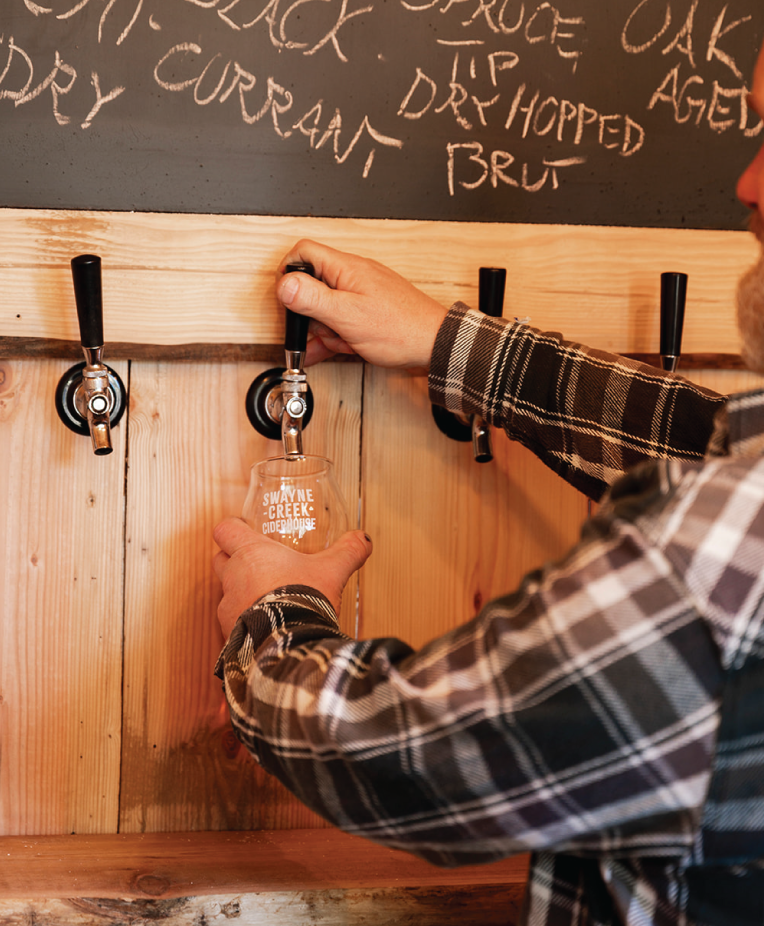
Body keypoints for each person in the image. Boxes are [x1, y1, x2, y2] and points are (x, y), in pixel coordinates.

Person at [212, 44, 764, 926]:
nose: (745, 183)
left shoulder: (713, 562)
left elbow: (414, 756)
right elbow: (696, 440)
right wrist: (448, 343)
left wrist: (276, 616)